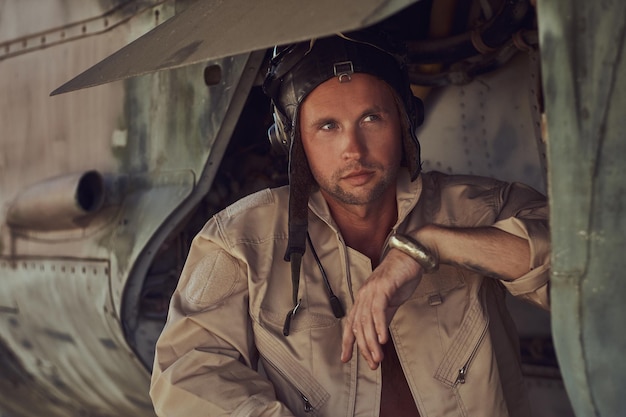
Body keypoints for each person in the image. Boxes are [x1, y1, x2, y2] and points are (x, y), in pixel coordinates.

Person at [149, 29, 550, 417]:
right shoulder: (241, 241)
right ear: (292, 141)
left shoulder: (478, 209)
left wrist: (432, 245)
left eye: (371, 118)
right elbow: (186, 374)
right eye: (328, 127)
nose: (352, 150)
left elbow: (588, 262)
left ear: (404, 120)